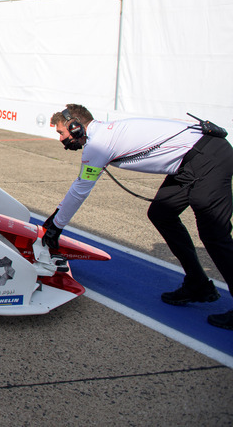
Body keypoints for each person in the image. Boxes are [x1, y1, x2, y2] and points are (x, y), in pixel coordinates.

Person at [45, 104, 233, 329]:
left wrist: (56, 226)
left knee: (214, 234)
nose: (60, 139)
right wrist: (56, 221)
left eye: (61, 133)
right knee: (161, 214)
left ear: (75, 127)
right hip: (188, 164)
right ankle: (198, 283)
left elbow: (80, 189)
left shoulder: (99, 144)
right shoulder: (104, 136)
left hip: (207, 158)